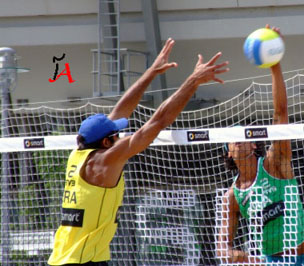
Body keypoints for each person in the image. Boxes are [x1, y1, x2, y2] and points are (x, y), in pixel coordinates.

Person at [48, 38, 229, 265]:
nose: (120, 135)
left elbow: (120, 111)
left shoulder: (80, 153)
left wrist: (151, 72)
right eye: (116, 134)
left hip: (68, 257)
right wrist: (193, 80)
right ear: (106, 142)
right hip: (82, 261)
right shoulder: (104, 161)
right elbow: (159, 121)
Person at [216, 26, 304, 265]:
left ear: (254, 144)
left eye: (246, 135)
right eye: (235, 137)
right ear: (229, 153)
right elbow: (221, 250)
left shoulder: (274, 163)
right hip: (272, 261)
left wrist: (274, 65)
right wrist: (248, 259)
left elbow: (281, 115)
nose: (241, 138)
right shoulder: (233, 196)